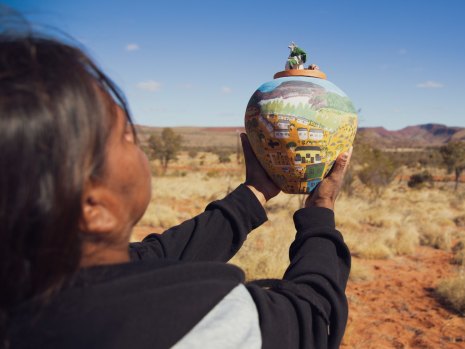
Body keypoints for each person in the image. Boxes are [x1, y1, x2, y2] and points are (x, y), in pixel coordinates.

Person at [0, 30, 352, 349]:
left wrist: (254, 193)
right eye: (126, 134)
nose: (137, 145)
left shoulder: (33, 289)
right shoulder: (197, 325)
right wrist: (320, 211)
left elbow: (156, 257)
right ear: (92, 207)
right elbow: (310, 320)